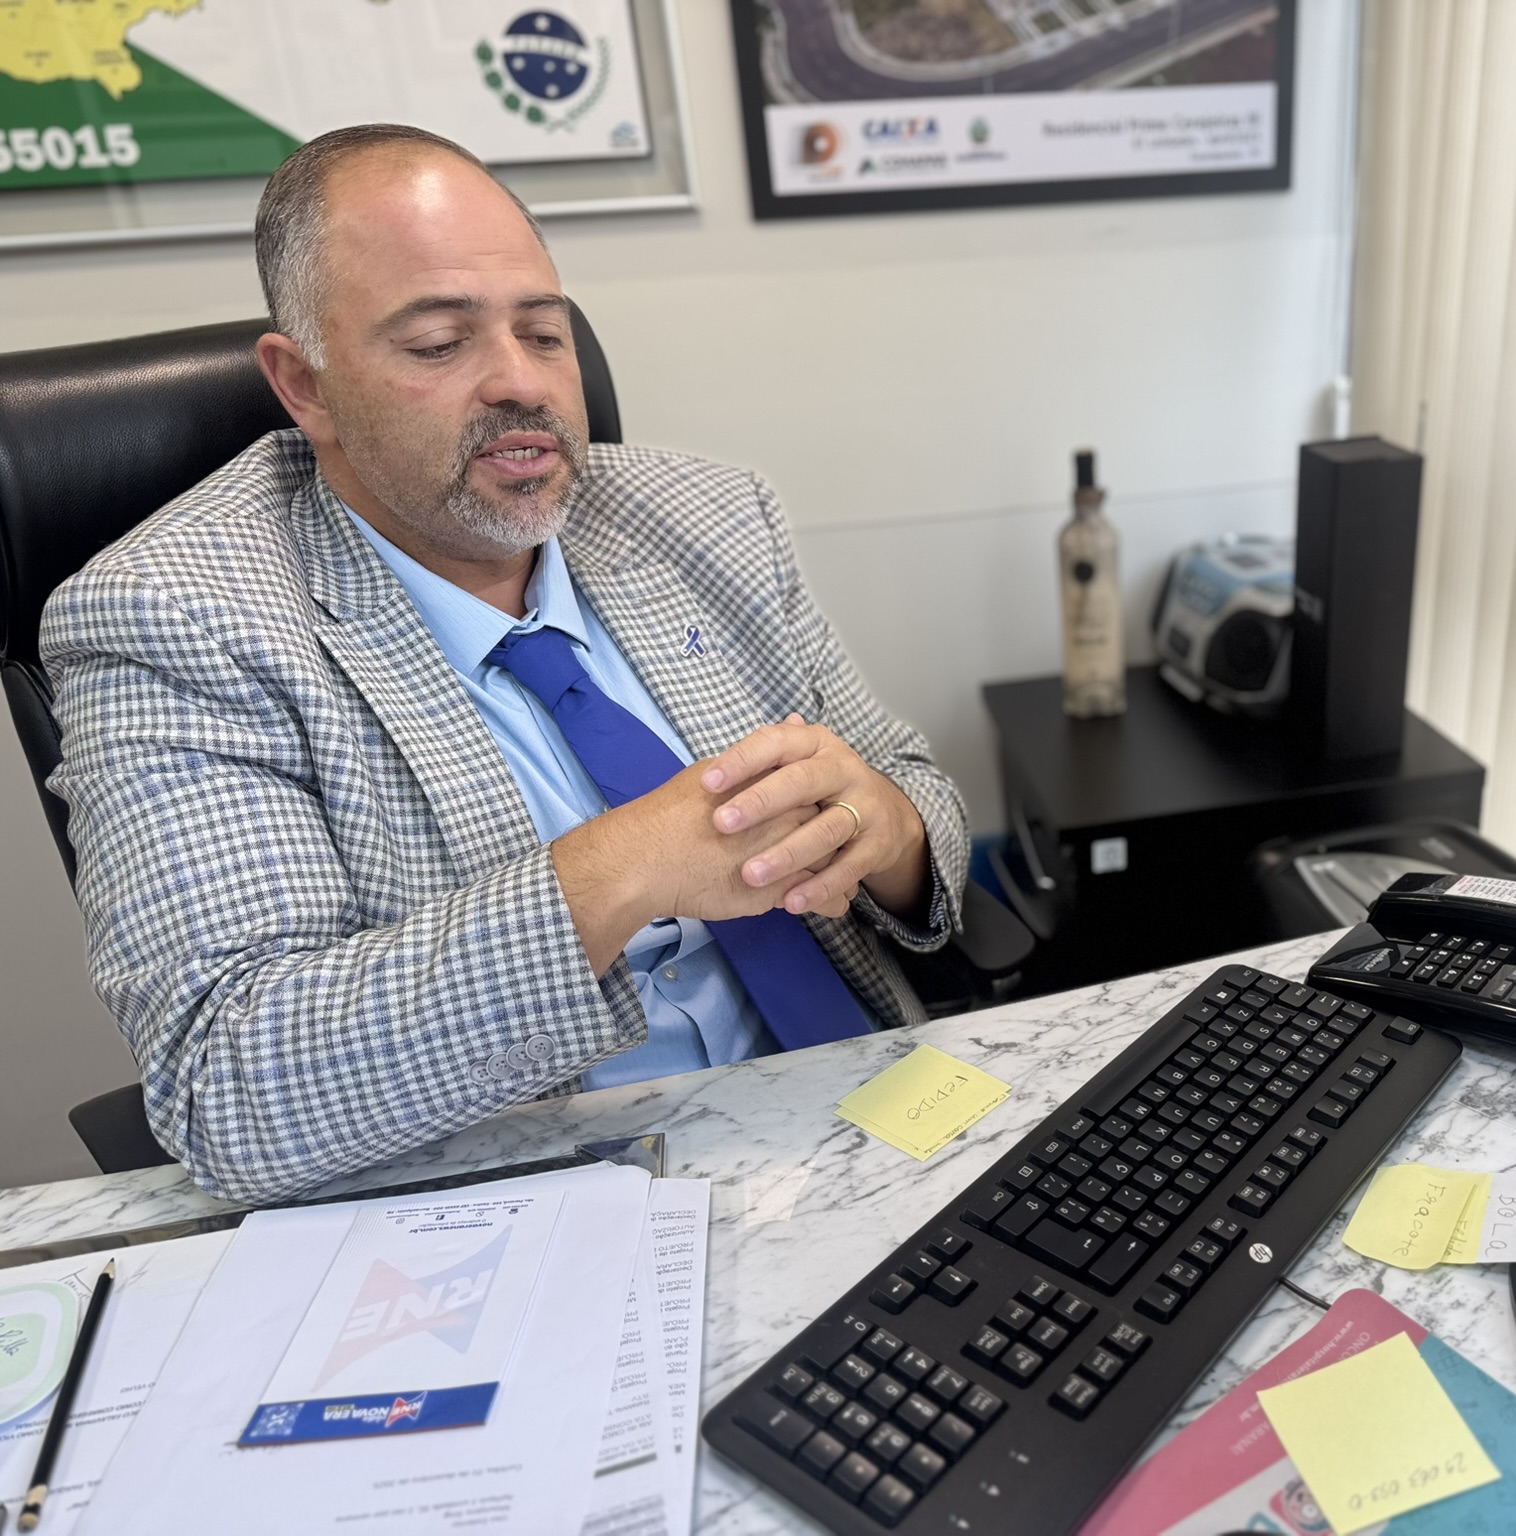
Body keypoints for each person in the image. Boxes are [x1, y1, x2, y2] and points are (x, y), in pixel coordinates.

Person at [43, 124, 969, 1204]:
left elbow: (922, 800)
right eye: (441, 344)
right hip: (533, 1205)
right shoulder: (175, 615)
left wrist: (889, 829)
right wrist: (618, 872)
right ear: (305, 385)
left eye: (544, 332)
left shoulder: (710, 516)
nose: (520, 382)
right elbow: (232, 1090)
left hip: (868, 1112)